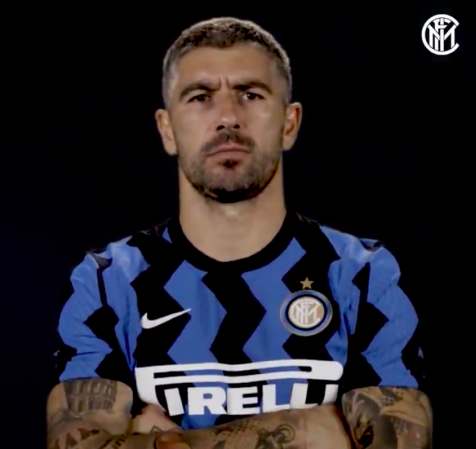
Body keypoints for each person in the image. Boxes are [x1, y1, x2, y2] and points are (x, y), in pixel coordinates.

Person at [45, 17, 432, 449]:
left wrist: (172, 441)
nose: (228, 116)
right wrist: (315, 431)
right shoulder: (107, 282)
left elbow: (400, 442)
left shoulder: (363, 275)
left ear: (289, 123)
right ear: (167, 130)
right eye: (201, 97)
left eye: (251, 94)